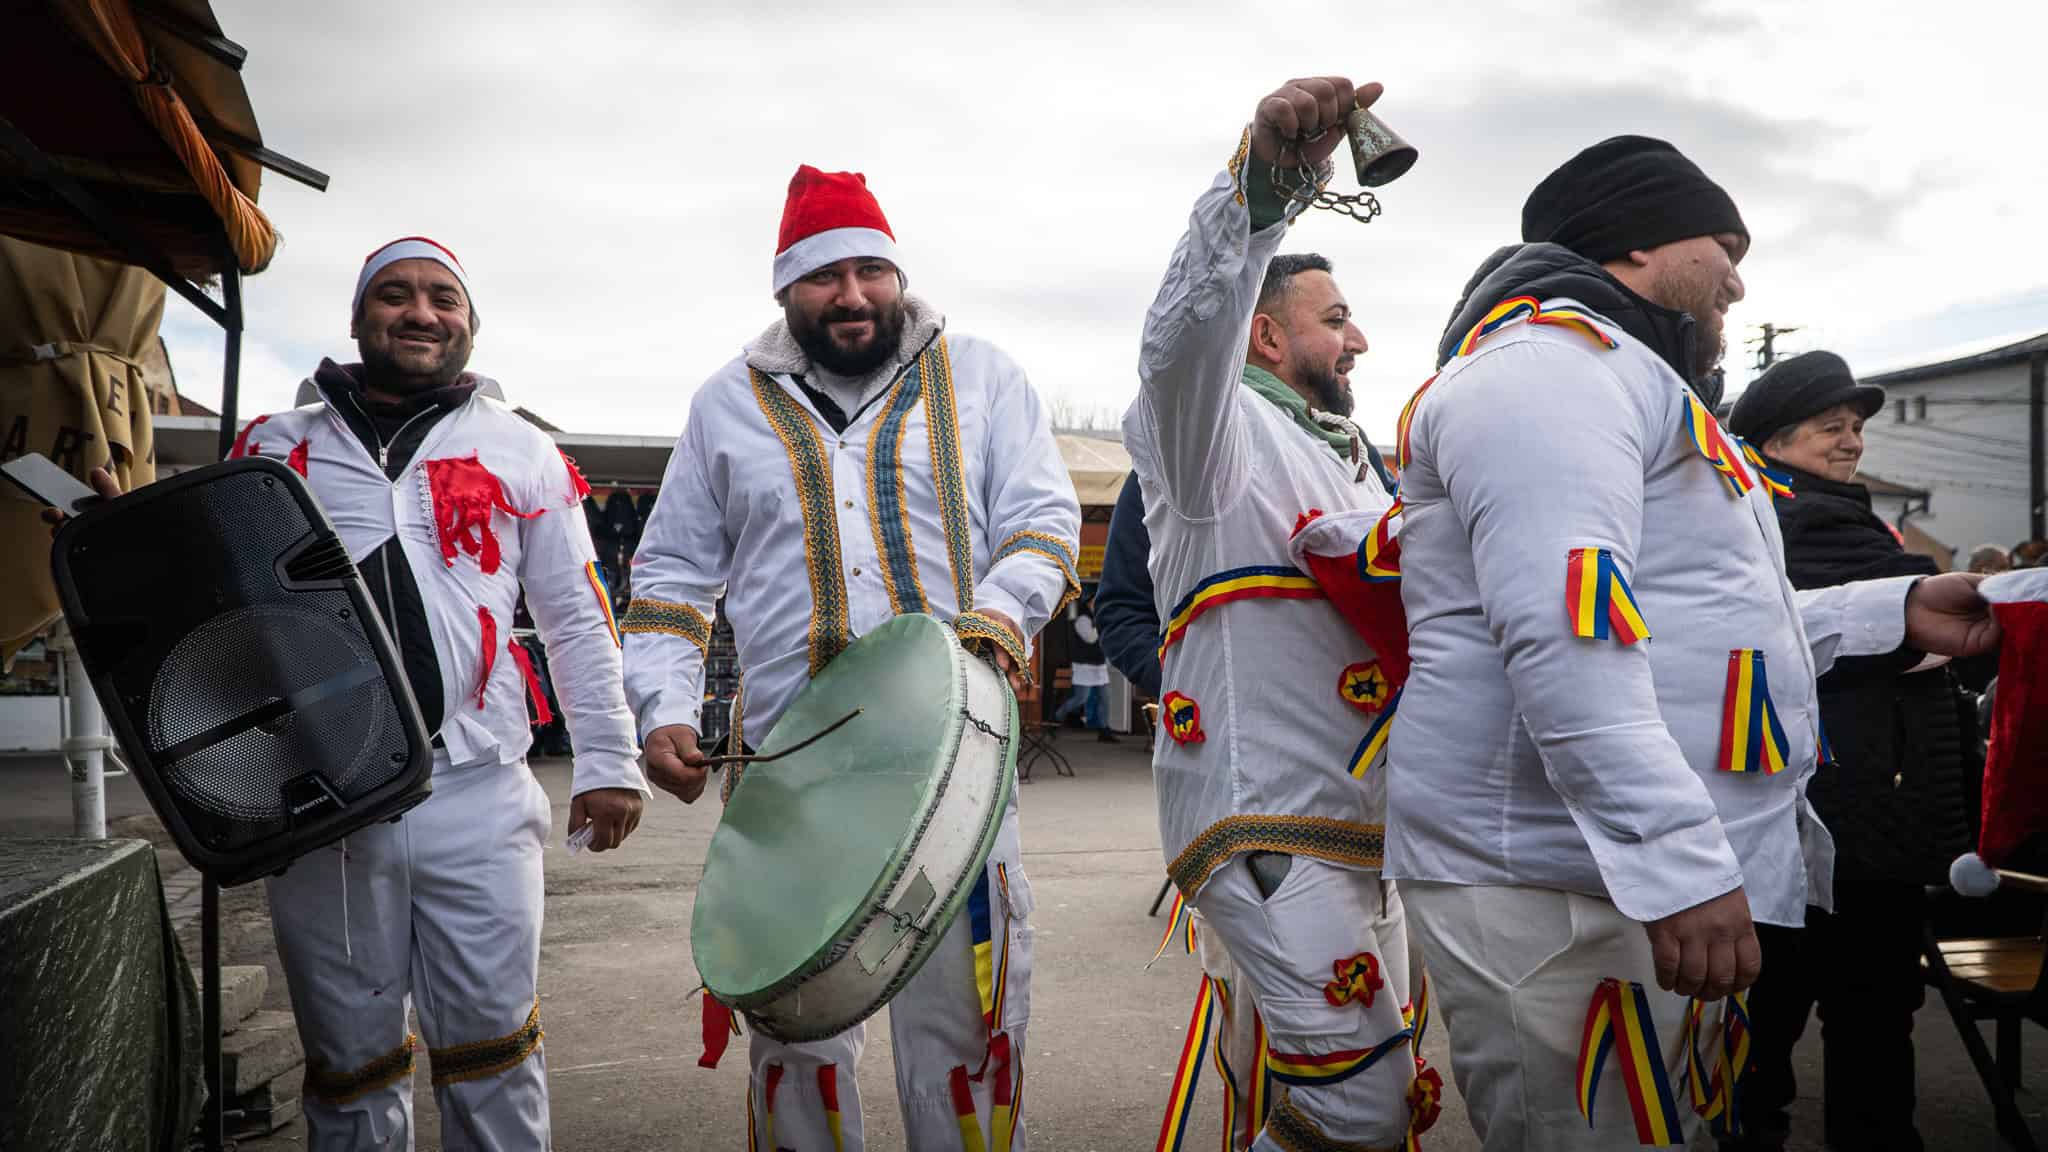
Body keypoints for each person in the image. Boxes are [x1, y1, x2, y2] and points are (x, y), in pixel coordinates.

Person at [1385, 136, 2002, 1150]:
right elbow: (1561, 635)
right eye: (1723, 244)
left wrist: (1886, 616)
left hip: (1599, 871)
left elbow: (1689, 626)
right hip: (1551, 878)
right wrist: (1676, 864)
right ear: (1635, 242)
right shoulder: (1546, 368)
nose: (1737, 278)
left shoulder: (1628, 380)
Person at [621, 165, 1080, 1150]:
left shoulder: (983, 375)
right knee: (795, 1035)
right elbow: (668, 580)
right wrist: (660, 707)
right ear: (785, 288)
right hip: (792, 777)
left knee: (964, 1024)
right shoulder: (723, 406)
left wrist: (998, 616)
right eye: (826, 277)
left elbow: (1042, 522)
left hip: (954, 767)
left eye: (872, 270)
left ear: (898, 276)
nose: (854, 295)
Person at [231, 236, 648, 1149]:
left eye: (442, 299)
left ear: (468, 324)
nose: (421, 313)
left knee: (494, 1053)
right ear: (356, 319)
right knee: (350, 1068)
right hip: (325, 799)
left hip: (478, 788)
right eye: (395, 295)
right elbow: (220, 613)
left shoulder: (521, 449)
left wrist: (610, 760)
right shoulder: (273, 446)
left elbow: (578, 617)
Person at [1123, 76, 1431, 1152]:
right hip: (1270, 819)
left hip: (1368, 828)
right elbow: (1177, 341)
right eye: (1334, 318)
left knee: (1357, 1104)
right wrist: (1257, 194)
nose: (1357, 341)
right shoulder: (1207, 443)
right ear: (1260, 336)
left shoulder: (1352, 458)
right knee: (1364, 1105)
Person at [1726, 350, 1987, 1151]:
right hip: (1842, 819)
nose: (1851, 443)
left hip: (1854, 815)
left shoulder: (1831, 513)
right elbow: (1893, 618)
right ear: (1774, 441)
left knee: (1790, 1017)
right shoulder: (1800, 521)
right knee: (1854, 1019)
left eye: (1856, 428)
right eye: (1830, 428)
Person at [1053, 605, 1116, 741]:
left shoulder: (1097, 618)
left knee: (1104, 699)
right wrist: (1103, 625)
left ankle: (1104, 730)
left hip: (1099, 665)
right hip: (1084, 665)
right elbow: (1091, 638)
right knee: (1081, 698)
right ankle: (1056, 718)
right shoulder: (1083, 619)